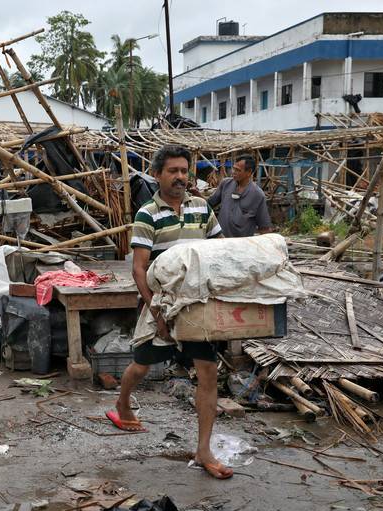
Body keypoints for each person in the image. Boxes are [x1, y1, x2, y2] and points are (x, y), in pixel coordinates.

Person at [105, 145, 233, 480]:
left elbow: (220, 252)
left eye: (183, 170)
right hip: (161, 305)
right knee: (142, 365)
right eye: (172, 171)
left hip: (197, 307)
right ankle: (122, 403)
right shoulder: (147, 214)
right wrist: (157, 313)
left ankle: (204, 450)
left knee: (207, 371)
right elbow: (138, 269)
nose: (179, 177)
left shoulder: (203, 208)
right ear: (157, 175)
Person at [207, 155, 273, 237]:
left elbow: (264, 228)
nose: (233, 172)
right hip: (220, 241)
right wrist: (197, 194)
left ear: (249, 172)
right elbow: (209, 204)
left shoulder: (258, 195)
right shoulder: (225, 184)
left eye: (237, 170)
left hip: (241, 245)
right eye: (233, 168)